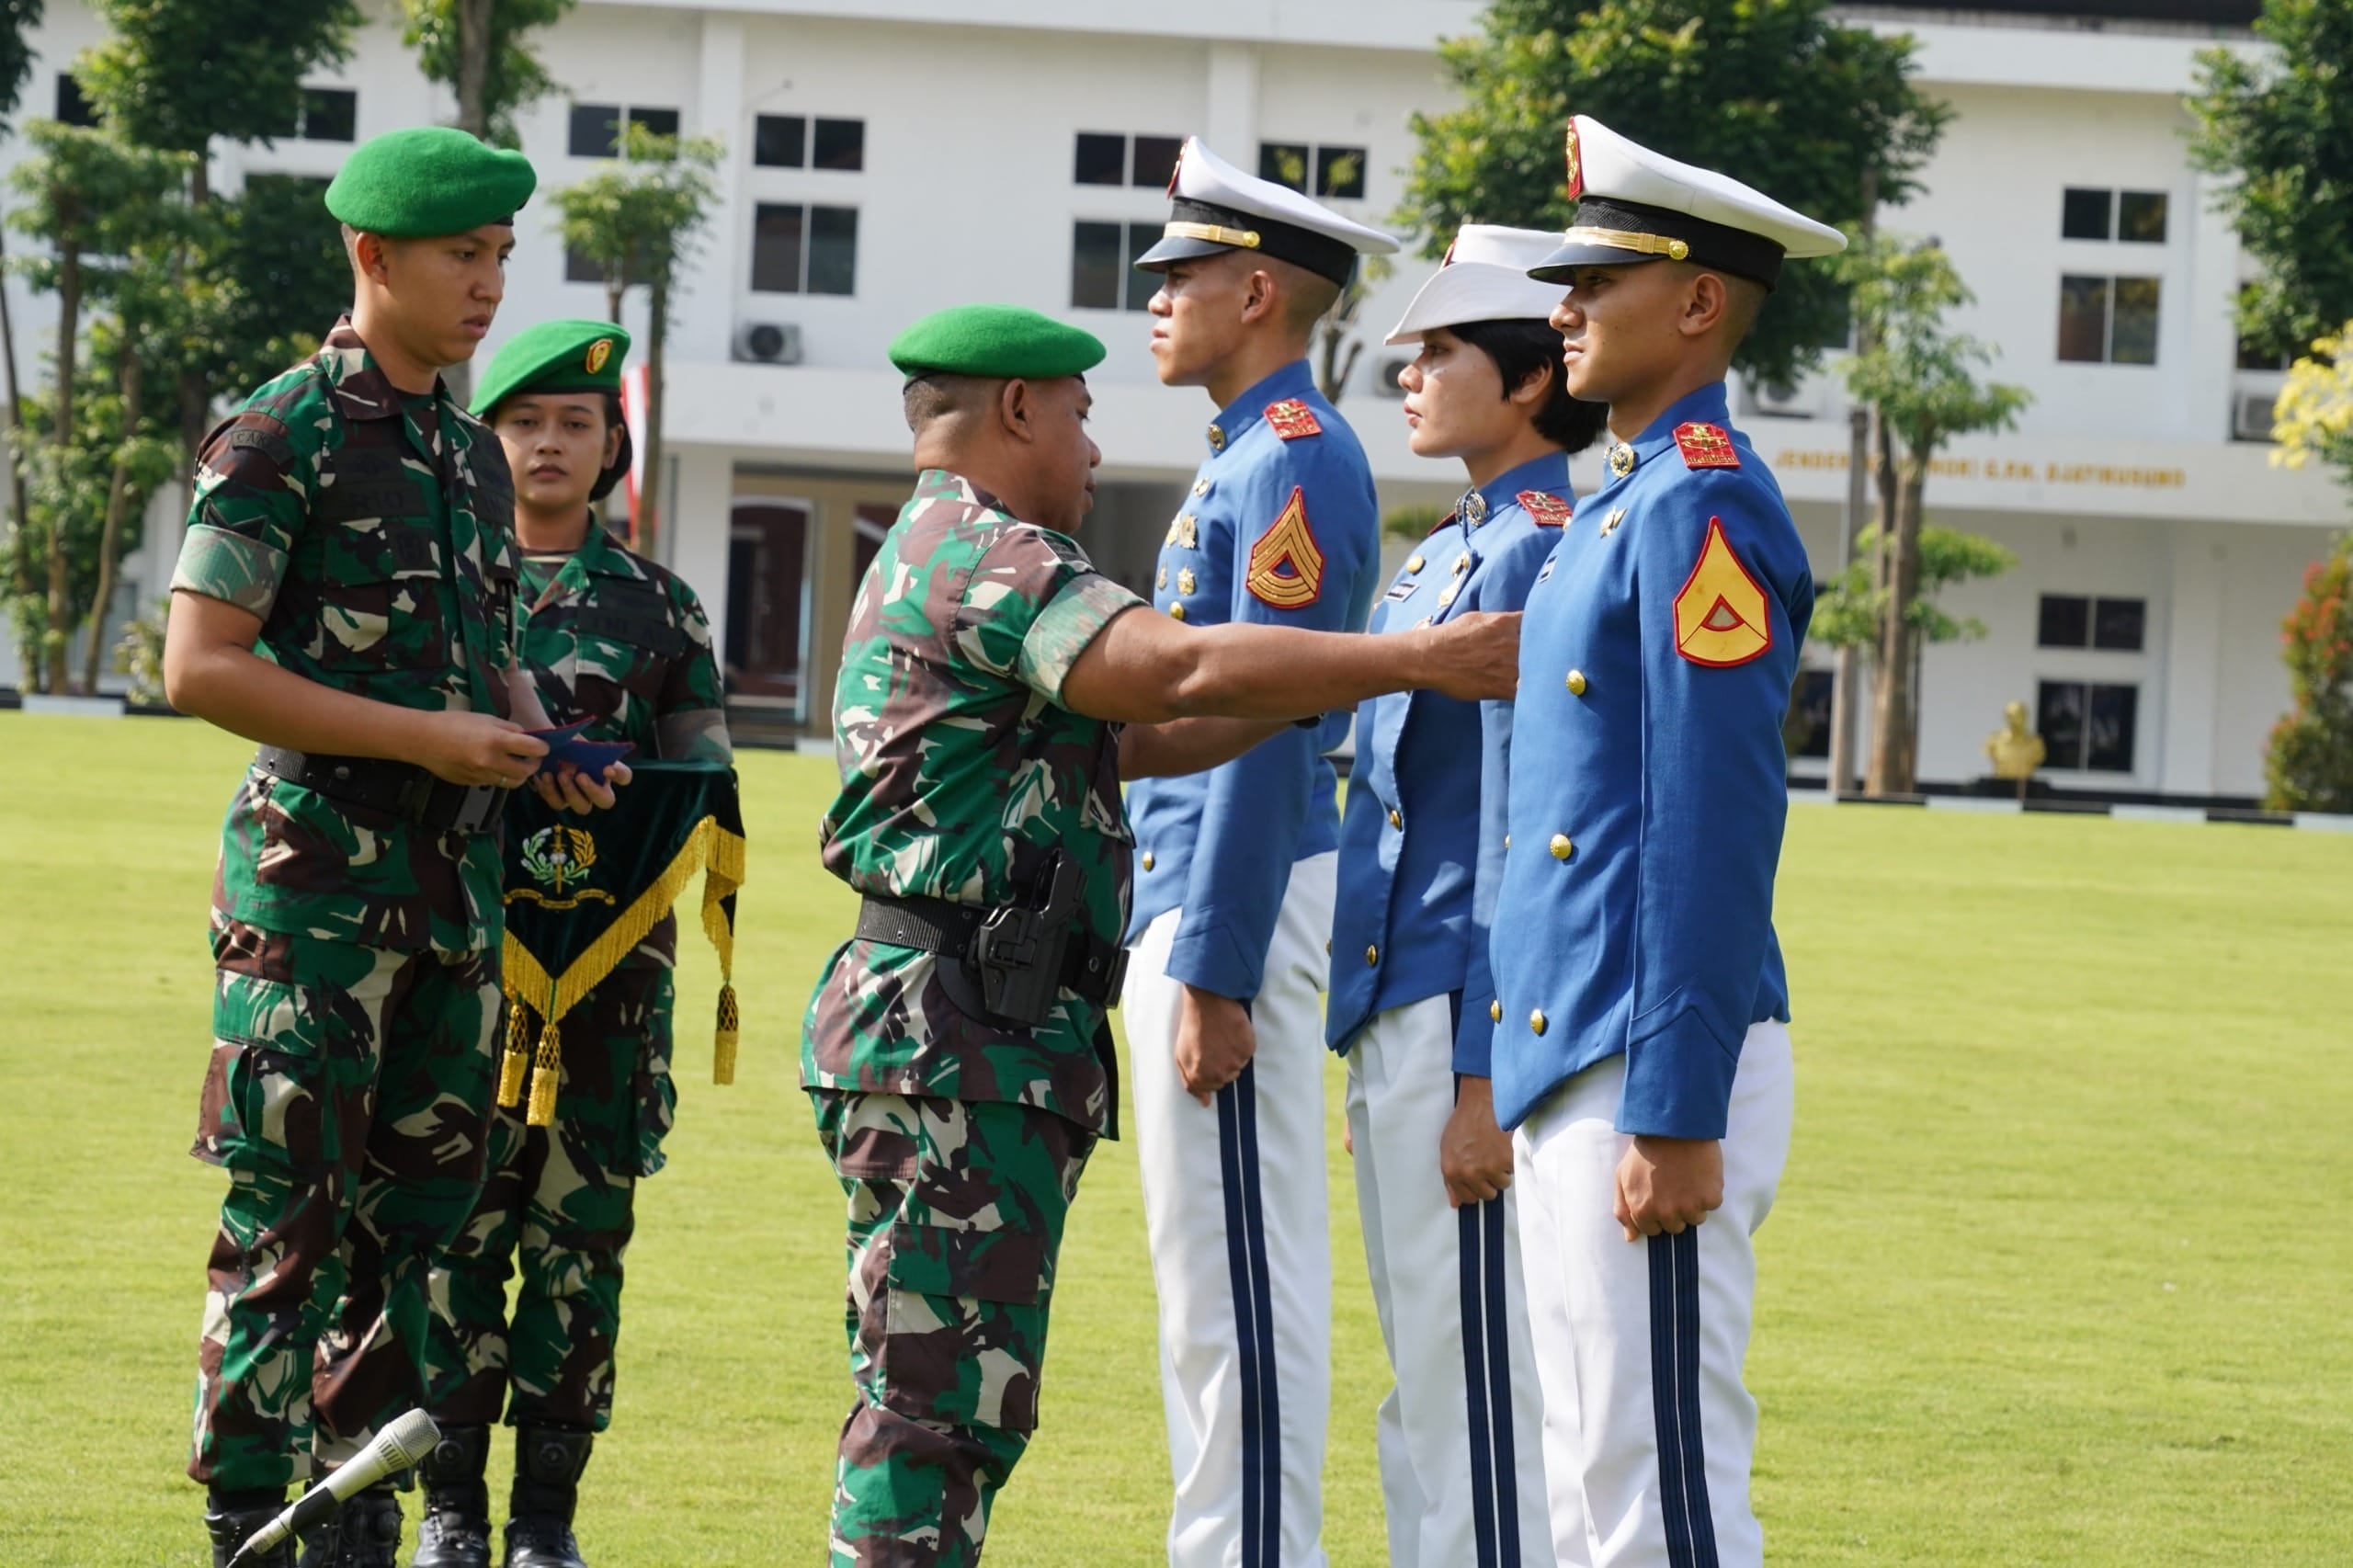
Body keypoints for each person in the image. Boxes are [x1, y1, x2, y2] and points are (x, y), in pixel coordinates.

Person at [804, 302, 1520, 1567]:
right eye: (1079, 417)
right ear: (1017, 407)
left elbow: (1144, 736)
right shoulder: (990, 552)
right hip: (952, 1040)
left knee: (956, 1405)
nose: (1093, 450)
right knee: (932, 1415)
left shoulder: (931, 548)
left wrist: (1329, 678)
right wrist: (1414, 656)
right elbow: (1172, 672)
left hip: (962, 1033)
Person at [160, 128, 628, 1568]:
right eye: (460, 257)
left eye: (500, 257)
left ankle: (357, 1508)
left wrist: (537, 728)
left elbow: (482, 656)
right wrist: (423, 739)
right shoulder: (278, 433)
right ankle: (250, 1519)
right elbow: (200, 663)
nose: (490, 285)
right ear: (373, 259)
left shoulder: (462, 453)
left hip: (453, 899)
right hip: (316, 896)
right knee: (285, 1224)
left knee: (411, 1238)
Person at [1488, 117, 1844, 1567]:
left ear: (1699, 302)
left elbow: (1713, 817)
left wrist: (1679, 1098)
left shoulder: (1700, 498)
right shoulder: (1625, 494)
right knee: (1587, 1486)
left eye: (1595, 280)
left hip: (1648, 1053)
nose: (1560, 307)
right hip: (1571, 1042)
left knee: (1656, 1500)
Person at [380, 320, 728, 1568]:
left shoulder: (661, 607)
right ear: (489, 446)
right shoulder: (446, 591)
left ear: (610, 445)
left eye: (574, 424)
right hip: (457, 976)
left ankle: (545, 1523)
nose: (547, 443)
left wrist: (617, 785)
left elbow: (706, 788)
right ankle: (453, 1515)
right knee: (452, 1246)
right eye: (524, 423)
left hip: (609, 990)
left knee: (578, 1256)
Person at [1120, 135, 1396, 1568]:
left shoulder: (1294, 461)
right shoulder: (1245, 455)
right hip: (1193, 894)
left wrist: (1216, 964)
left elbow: (1271, 716)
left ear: (1261, 293)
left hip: (1238, 900)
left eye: (1181, 275)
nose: (1152, 298)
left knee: (1241, 1280)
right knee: (1201, 1288)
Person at [1326, 224, 1608, 1568]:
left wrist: (1485, 1076)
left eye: (1439, 352)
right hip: (1407, 1004)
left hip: (1464, 1012)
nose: (1409, 376)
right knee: (1426, 1378)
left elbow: (1518, 831)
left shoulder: (1532, 550)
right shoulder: (1457, 544)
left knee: (1476, 1390)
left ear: (1533, 380)